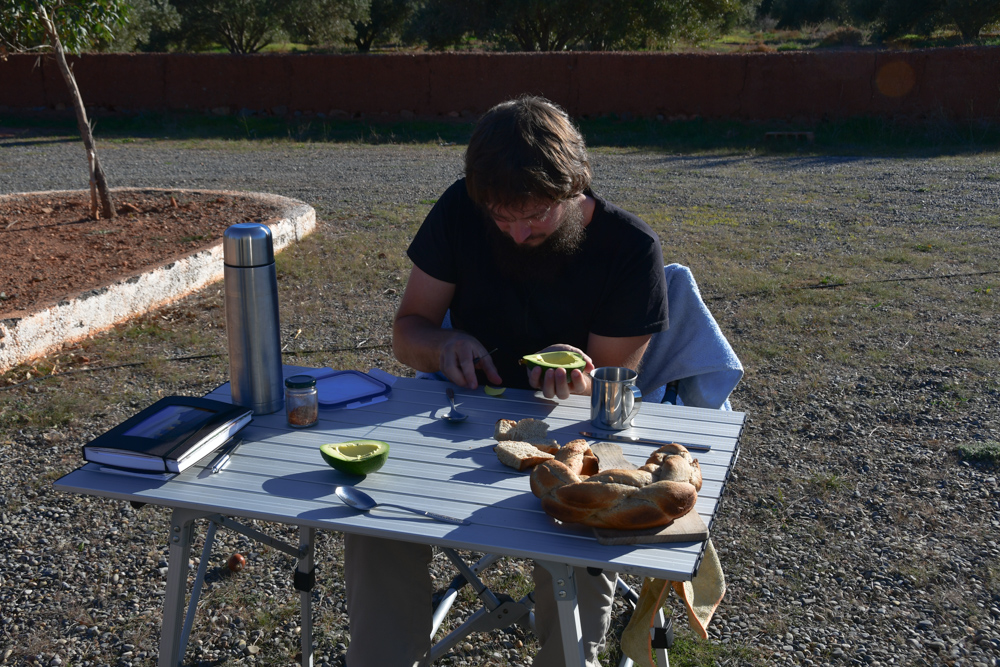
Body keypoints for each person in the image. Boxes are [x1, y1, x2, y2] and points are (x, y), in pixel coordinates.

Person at [343, 95, 669, 667]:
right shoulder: (459, 210)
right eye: (501, 217)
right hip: (456, 425)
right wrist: (442, 342)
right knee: (375, 525)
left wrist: (582, 375)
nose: (516, 233)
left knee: (580, 537)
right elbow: (407, 332)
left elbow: (613, 383)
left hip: (574, 441)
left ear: (577, 186)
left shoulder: (630, 249)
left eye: (536, 215)